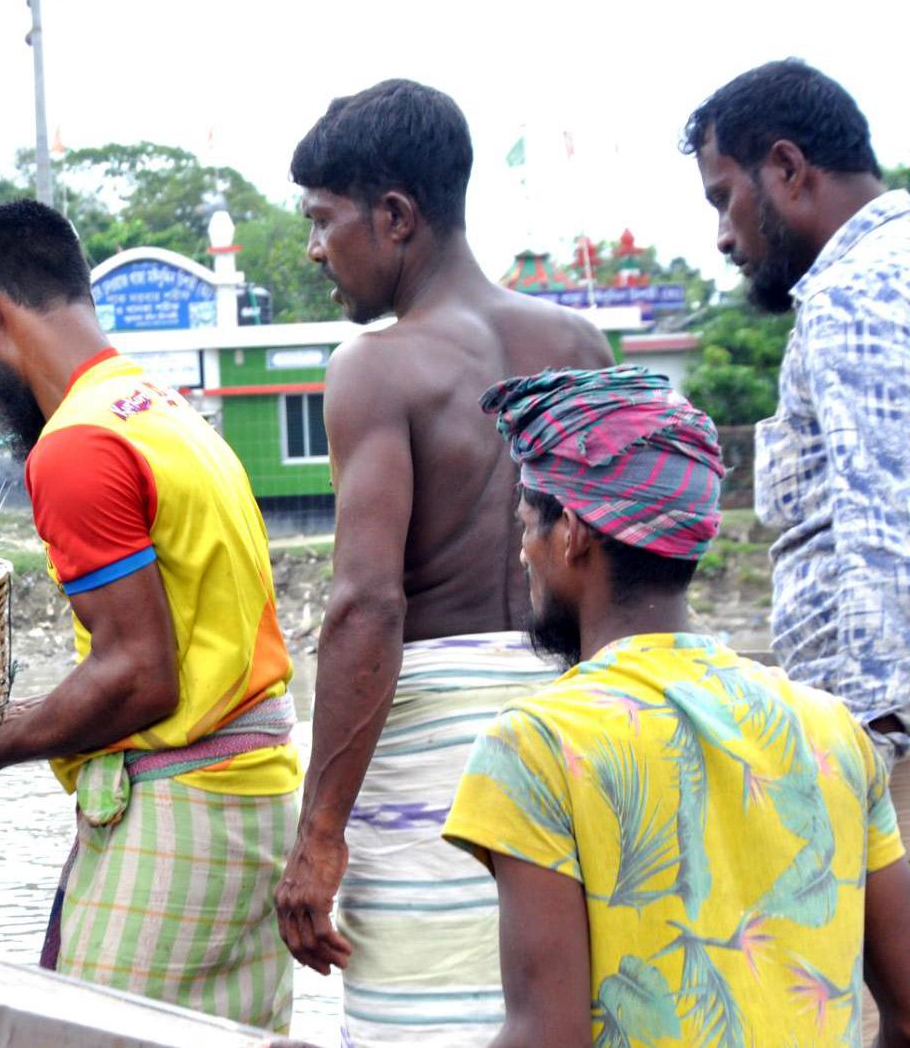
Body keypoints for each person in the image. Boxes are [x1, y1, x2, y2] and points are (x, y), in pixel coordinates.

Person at [0, 200, 301, 1030]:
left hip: (185, 813)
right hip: (257, 794)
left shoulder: (76, 444)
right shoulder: (164, 411)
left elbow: (140, 673)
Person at [273, 78, 615, 1043]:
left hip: (431, 759)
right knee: (559, 1012)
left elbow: (366, 606)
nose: (314, 249)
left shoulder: (376, 367)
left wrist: (320, 833)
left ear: (393, 217)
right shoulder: (579, 345)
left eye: (322, 220)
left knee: (418, 1022)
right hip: (572, 732)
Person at [445, 365, 910, 1047]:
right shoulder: (831, 728)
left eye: (527, 525)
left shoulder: (539, 744)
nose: (523, 551)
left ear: (572, 531)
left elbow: (549, 1036)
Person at [682, 60, 909, 880]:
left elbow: (887, 523)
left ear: (785, 167)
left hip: (887, 756)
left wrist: (867, 759)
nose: (720, 235)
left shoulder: (856, 293)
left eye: (721, 197)